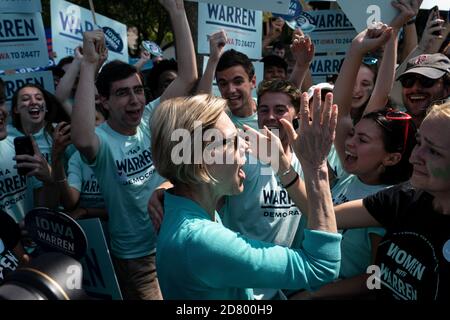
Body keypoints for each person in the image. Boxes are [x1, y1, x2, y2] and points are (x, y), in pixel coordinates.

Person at [151, 94, 341, 300]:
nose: (245, 146)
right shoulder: (202, 240)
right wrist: (316, 166)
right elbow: (321, 266)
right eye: (233, 141)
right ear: (201, 159)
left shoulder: (178, 203)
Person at [71, 0, 197, 300]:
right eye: (122, 93)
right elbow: (81, 138)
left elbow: (188, 77)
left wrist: (177, 11)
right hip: (136, 258)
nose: (135, 101)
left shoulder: (150, 118)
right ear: (103, 101)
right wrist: (89, 65)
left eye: (138, 90)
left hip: (172, 240)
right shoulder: (101, 141)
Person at [299, 101, 450, 300]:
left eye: (434, 152)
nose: (414, 157)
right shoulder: (405, 198)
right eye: (419, 142)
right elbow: (325, 217)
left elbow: (370, 280)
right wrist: (307, 163)